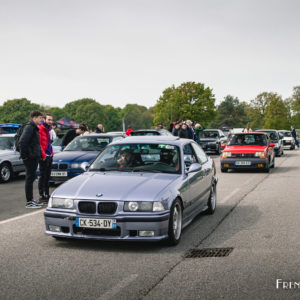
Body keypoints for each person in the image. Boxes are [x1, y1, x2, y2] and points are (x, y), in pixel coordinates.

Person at [19, 110, 44, 208]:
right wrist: (25, 156)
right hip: (30, 158)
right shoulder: (29, 127)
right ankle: (29, 202)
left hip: (33, 157)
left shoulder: (33, 127)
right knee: (29, 179)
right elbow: (22, 142)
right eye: (40, 118)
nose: (41, 120)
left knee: (31, 178)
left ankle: (31, 200)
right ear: (35, 118)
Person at [38, 113, 54, 202]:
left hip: (49, 155)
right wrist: (43, 155)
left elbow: (49, 142)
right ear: (44, 120)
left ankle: (47, 194)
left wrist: (51, 153)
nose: (51, 121)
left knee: (47, 176)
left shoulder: (49, 129)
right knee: (42, 176)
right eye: (49, 120)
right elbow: (39, 144)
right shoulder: (40, 128)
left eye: (51, 120)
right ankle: (41, 195)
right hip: (43, 156)